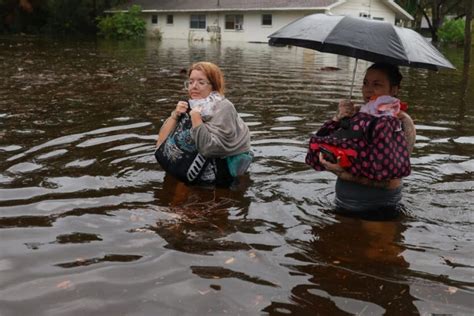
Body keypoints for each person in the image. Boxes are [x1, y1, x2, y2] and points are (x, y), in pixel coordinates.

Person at [306, 63, 416, 218]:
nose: (368, 90)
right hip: (343, 202)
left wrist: (343, 174)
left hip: (379, 208)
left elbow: (389, 180)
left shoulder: (401, 122)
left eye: (377, 84)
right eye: (365, 83)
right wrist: (338, 119)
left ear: (394, 89)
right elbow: (325, 143)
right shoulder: (357, 114)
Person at [156, 61, 251, 187]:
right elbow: (160, 144)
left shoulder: (223, 107)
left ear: (213, 86)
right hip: (188, 170)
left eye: (201, 82)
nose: (194, 87)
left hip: (216, 178)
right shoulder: (191, 104)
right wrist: (174, 115)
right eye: (190, 82)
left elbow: (209, 149)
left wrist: (196, 118)